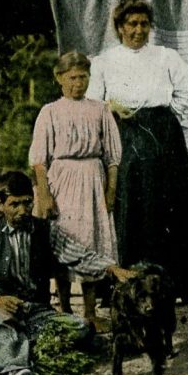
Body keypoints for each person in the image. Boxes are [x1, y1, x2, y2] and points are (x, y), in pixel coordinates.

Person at [85, 0, 188, 300]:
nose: (138, 30)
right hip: (124, 134)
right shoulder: (104, 62)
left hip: (163, 135)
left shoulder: (165, 57)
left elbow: (187, 95)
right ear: (119, 27)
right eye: (132, 24)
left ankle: (182, 285)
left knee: (173, 204)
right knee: (130, 204)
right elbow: (91, 103)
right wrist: (110, 106)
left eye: (144, 24)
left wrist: (164, 119)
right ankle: (127, 285)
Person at [0, 171, 133, 375]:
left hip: (37, 311)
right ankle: (16, 372)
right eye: (14, 204)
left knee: (80, 328)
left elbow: (78, 255)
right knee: (4, 327)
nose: (23, 210)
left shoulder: (45, 230)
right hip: (1, 311)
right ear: (0, 204)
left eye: (27, 203)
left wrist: (111, 268)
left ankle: (24, 343)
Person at [30, 51, 122, 328]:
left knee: (90, 243)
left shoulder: (100, 110)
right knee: (63, 242)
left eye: (83, 77)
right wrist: (44, 195)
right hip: (62, 182)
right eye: (72, 78)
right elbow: (38, 159)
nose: (78, 83)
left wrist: (111, 191)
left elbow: (113, 157)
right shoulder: (50, 111)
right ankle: (65, 308)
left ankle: (91, 312)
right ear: (59, 79)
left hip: (93, 181)